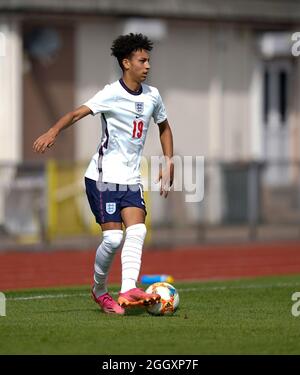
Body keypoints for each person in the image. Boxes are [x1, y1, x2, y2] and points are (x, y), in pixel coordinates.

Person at [33, 33, 174, 315]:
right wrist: (53, 130)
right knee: (112, 239)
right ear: (126, 63)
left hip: (131, 178)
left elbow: (164, 126)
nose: (147, 66)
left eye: (148, 60)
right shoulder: (111, 93)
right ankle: (99, 290)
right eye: (142, 60)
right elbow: (76, 113)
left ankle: (128, 289)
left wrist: (169, 160)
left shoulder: (153, 96)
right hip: (102, 177)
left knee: (138, 229)